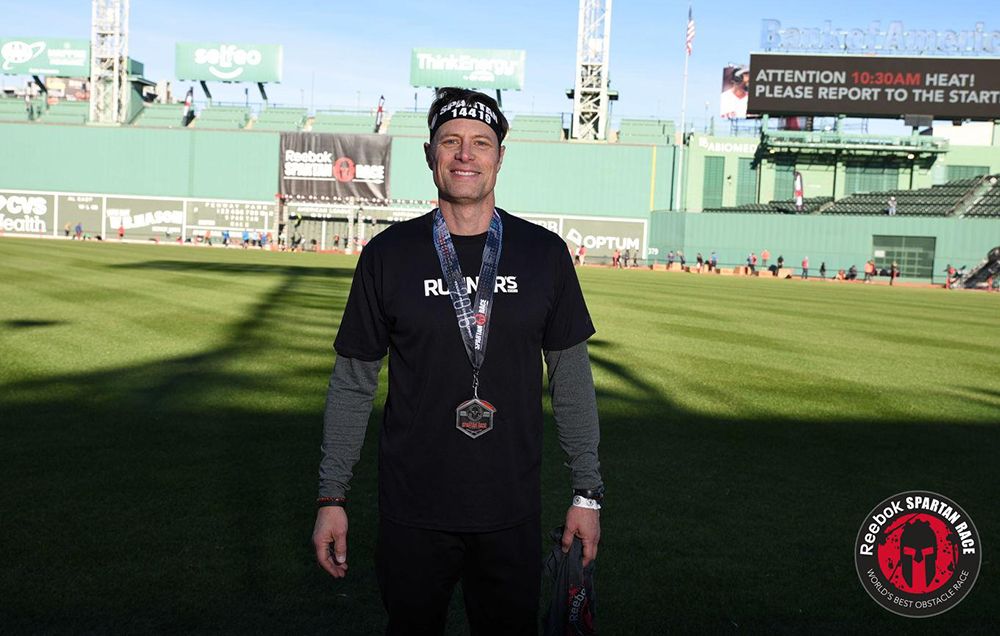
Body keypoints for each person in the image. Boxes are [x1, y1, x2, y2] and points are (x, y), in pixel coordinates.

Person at [312, 87, 603, 636]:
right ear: (430, 154)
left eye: (480, 143)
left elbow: (572, 380)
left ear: (499, 157)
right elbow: (352, 383)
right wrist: (332, 495)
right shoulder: (387, 255)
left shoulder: (544, 254)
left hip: (510, 512)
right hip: (412, 513)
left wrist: (586, 493)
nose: (465, 154)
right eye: (451, 141)